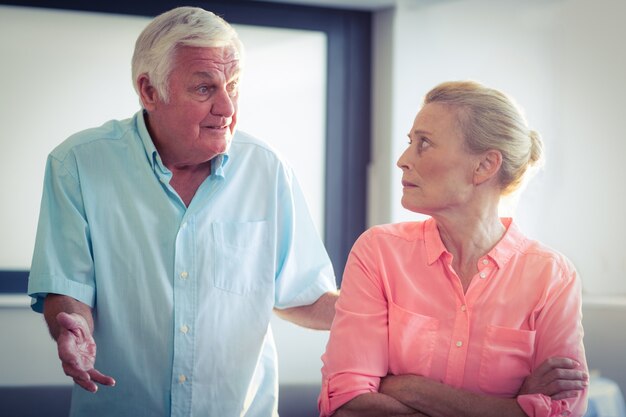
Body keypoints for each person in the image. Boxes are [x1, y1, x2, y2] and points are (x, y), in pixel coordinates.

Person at [27, 6, 338, 416]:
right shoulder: (78, 164)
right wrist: (74, 327)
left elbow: (305, 296)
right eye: (205, 89)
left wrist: (399, 312)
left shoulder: (268, 169)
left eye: (233, 85)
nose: (227, 107)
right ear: (150, 91)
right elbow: (67, 287)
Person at [319, 80, 588, 417]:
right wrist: (510, 407)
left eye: (424, 144)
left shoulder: (552, 276)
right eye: (410, 142)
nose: (403, 160)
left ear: (484, 166)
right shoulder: (379, 252)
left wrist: (408, 388)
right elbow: (348, 404)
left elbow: (563, 411)